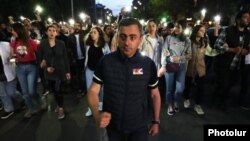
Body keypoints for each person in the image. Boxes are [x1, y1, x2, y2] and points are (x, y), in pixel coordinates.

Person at [87, 18, 161, 141]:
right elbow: (93, 91)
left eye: (132, 37)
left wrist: (156, 121)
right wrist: (96, 114)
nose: (127, 42)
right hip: (113, 127)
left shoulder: (148, 64)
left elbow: (155, 94)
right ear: (117, 38)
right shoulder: (106, 62)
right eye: (123, 37)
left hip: (139, 127)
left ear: (140, 39)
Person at [213, 10, 250, 110]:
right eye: (245, 17)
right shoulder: (228, 30)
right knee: (224, 84)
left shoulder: (248, 33)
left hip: (238, 65)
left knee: (230, 84)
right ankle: (218, 101)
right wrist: (231, 49)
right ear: (238, 19)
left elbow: (247, 48)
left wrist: (246, 51)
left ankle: (220, 98)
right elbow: (217, 45)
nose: (248, 19)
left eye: (249, 18)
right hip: (224, 63)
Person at [38, 25, 71, 119]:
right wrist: (46, 67)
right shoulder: (42, 44)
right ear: (46, 32)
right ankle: (59, 104)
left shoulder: (61, 43)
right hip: (49, 72)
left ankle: (61, 108)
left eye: (54, 30)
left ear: (56, 32)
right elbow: (40, 59)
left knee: (58, 90)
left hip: (60, 71)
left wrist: (68, 72)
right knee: (54, 90)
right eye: (50, 30)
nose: (52, 32)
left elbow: (65, 58)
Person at [84, 26, 110, 117]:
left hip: (100, 71)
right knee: (89, 89)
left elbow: (108, 58)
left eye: (94, 32)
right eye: (91, 32)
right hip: (90, 70)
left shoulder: (105, 46)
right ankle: (91, 108)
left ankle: (100, 105)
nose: (92, 34)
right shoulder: (88, 45)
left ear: (99, 34)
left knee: (102, 89)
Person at [183, 25, 208, 115]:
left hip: (201, 68)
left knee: (201, 87)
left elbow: (209, 52)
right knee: (188, 85)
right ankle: (186, 99)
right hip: (190, 67)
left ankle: (197, 105)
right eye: (201, 30)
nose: (203, 32)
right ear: (196, 31)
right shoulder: (189, 41)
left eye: (204, 30)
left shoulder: (205, 41)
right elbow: (185, 53)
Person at [0, 34, 24, 119]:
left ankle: (22, 100)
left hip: (9, 73)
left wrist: (10, 60)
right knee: (2, 94)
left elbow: (16, 57)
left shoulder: (6, 44)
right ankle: (9, 109)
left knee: (11, 92)